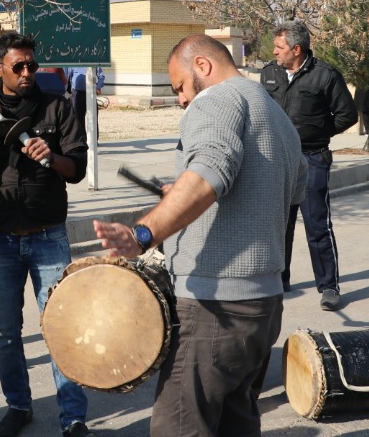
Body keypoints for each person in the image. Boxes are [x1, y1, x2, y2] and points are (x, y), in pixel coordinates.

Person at [94, 35, 307, 437]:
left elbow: (212, 165)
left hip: (214, 307)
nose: (180, 100)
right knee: (235, 421)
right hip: (263, 306)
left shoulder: (217, 100)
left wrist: (144, 232)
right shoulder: (276, 113)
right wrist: (189, 191)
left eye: (179, 87)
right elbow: (291, 189)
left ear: (203, 66)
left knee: (180, 426)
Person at [0, 32, 92, 437]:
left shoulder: (57, 108)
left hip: (48, 235)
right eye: (19, 66)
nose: (29, 72)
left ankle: (73, 417)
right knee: (5, 332)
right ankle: (18, 406)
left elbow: (78, 169)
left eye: (32, 64)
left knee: (61, 327)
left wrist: (52, 157)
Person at [261, 19, 356, 311]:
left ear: (297, 49)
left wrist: (318, 132)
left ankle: (329, 286)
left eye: (279, 47)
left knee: (317, 225)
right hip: (278, 161)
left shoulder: (325, 75)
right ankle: (280, 279)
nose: (275, 52)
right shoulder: (269, 73)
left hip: (312, 158)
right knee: (280, 224)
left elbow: (347, 115)